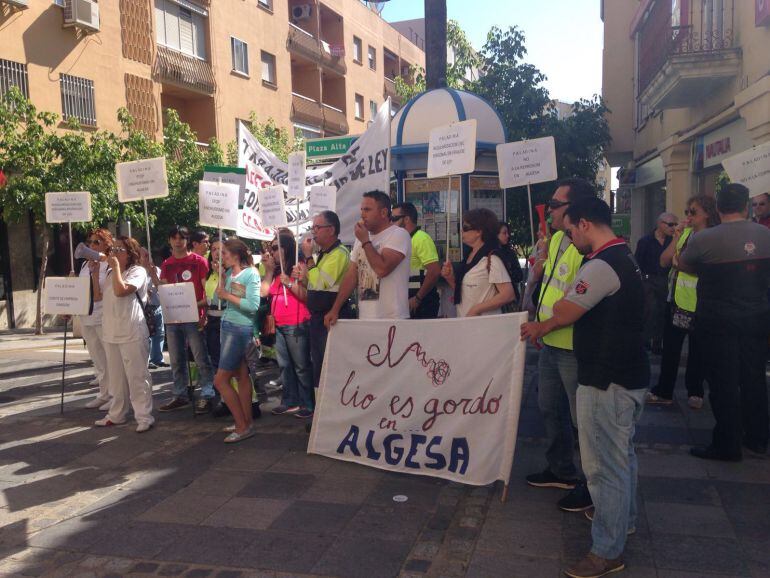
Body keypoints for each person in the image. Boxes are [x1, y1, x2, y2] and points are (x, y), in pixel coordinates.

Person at [521, 197, 649, 578]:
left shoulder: (601, 265)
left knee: (603, 468)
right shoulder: (625, 257)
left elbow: (565, 311)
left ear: (586, 224)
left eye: (571, 229)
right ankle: (622, 522)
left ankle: (606, 552)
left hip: (605, 377)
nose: (570, 237)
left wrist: (540, 326)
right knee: (622, 456)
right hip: (627, 374)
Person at [679, 183, 770, 461]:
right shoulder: (765, 234)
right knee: (754, 378)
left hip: (717, 321)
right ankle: (757, 438)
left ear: (718, 208)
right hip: (756, 318)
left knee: (723, 382)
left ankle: (727, 444)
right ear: (746, 206)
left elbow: (683, 264)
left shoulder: (705, 239)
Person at [525, 177, 596, 513]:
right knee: (549, 407)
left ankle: (590, 483)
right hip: (551, 339)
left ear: (574, 210)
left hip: (571, 343)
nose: (550, 209)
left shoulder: (588, 247)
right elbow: (551, 284)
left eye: (555, 204)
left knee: (581, 417)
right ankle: (560, 470)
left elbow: (577, 298)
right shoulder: (555, 240)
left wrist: (545, 323)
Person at [647, 196, 718, 409]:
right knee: (671, 350)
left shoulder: (711, 238)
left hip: (699, 303)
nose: (687, 216)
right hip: (676, 301)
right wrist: (677, 238)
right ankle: (664, 391)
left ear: (707, 213)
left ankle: (695, 392)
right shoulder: (685, 234)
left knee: (698, 351)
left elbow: (701, 267)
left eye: (692, 212)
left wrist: (680, 264)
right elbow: (664, 260)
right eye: (686, 211)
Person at [148, 225, 216, 413]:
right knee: (177, 359)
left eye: (181, 237)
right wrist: (149, 267)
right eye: (174, 237)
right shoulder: (168, 264)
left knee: (201, 357)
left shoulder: (199, 261)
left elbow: (207, 291)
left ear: (187, 241)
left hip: (194, 318)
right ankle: (180, 394)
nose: (178, 241)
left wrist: (201, 312)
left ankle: (208, 393)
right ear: (170, 241)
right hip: (173, 319)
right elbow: (163, 288)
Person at [95, 236, 156, 433]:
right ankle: (116, 414)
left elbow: (122, 292)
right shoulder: (111, 271)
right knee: (116, 378)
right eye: (113, 249)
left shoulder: (137, 271)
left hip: (132, 331)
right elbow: (97, 296)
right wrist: (95, 273)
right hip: (111, 331)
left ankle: (144, 416)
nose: (114, 253)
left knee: (137, 376)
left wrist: (116, 268)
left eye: (120, 249)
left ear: (130, 254)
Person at [325, 190, 412, 326]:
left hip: (392, 318)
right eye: (361, 210)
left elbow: (382, 269)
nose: (362, 214)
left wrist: (366, 241)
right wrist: (335, 309)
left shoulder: (399, 235)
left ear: (383, 213)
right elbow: (351, 276)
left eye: (367, 210)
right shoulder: (361, 238)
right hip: (366, 317)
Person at [293, 211, 350, 388]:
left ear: (331, 229)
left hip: (331, 317)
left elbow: (322, 283)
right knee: (318, 364)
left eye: (317, 227)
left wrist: (309, 258)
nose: (313, 232)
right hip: (317, 317)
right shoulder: (324, 254)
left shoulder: (339, 253)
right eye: (313, 227)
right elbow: (313, 284)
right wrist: (303, 278)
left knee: (329, 366)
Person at [213, 239, 261, 442]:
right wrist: (221, 280)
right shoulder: (230, 274)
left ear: (235, 254)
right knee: (241, 375)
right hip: (229, 325)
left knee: (220, 380)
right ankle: (246, 422)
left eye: (224, 253)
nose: (221, 256)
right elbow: (222, 298)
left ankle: (241, 426)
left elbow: (252, 305)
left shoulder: (250, 273)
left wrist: (226, 294)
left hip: (239, 328)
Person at [263, 232, 315, 419]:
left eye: (276, 248)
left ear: (286, 248)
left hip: (296, 322)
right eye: (271, 249)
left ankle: (308, 403)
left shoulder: (298, 267)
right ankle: (290, 400)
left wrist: (290, 283)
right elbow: (264, 292)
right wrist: (269, 270)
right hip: (279, 324)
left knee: (301, 366)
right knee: (285, 366)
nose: (273, 252)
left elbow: (307, 296)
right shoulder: (276, 271)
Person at [440, 208, 514, 317]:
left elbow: (508, 294)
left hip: (485, 327)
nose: (461, 231)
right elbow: (465, 293)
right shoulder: (468, 257)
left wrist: (476, 309)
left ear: (479, 232)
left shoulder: (492, 259)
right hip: (467, 325)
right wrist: (450, 278)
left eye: (465, 228)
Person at [634, 212, 678, 353]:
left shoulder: (673, 241)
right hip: (649, 280)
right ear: (660, 224)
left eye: (675, 225)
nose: (673, 228)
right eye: (670, 224)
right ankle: (646, 340)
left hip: (666, 280)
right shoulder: (645, 241)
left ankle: (657, 343)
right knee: (650, 310)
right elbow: (638, 262)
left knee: (663, 311)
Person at [79, 229, 113, 410]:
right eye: (90, 242)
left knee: (109, 358)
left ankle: (115, 395)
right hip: (86, 316)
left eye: (96, 242)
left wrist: (95, 274)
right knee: (97, 358)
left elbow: (100, 294)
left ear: (107, 244)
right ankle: (104, 393)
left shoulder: (109, 264)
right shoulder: (85, 265)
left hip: (103, 316)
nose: (91, 246)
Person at [392, 202, 441, 319]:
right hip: (407, 303)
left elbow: (434, 271)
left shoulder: (421, 238)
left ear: (407, 219)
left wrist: (418, 298)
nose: (391, 222)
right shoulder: (403, 239)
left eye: (394, 218)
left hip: (422, 303)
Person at [141, 248, 168, 371]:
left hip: (157, 305)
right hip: (145, 308)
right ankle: (147, 360)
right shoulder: (138, 272)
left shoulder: (157, 270)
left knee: (160, 333)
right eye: (144, 256)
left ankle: (158, 358)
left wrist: (153, 274)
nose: (147, 258)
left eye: (148, 255)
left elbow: (162, 286)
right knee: (147, 335)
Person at [497, 221, 524, 304]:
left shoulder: (510, 253)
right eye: (504, 233)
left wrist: (509, 272)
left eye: (508, 233)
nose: (507, 236)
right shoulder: (491, 253)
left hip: (510, 298)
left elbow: (519, 275)